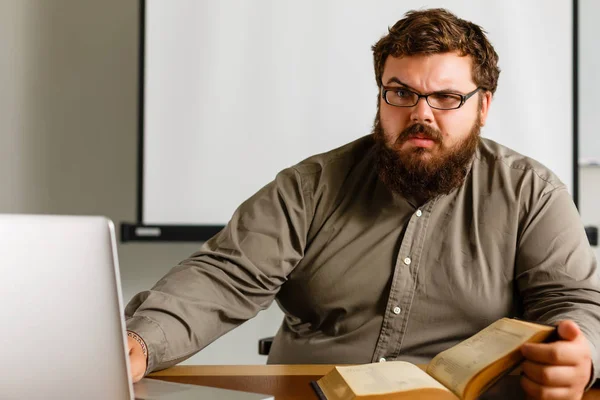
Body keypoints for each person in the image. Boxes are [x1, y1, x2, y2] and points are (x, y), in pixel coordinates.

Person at [125, 8, 600, 399]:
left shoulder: (532, 192)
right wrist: (141, 341)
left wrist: (582, 356)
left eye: (446, 97)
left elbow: (574, 302)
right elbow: (227, 276)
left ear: (483, 105)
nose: (420, 114)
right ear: (381, 96)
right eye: (401, 93)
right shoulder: (310, 186)